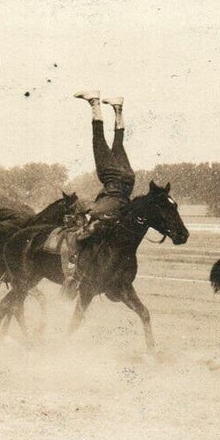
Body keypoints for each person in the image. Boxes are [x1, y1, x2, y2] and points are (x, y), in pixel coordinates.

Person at [60, 91, 135, 292]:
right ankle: (116, 108)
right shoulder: (102, 206)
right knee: (111, 142)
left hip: (125, 180)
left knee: (102, 140)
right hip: (119, 182)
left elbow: (92, 212)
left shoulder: (97, 206)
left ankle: (96, 103)